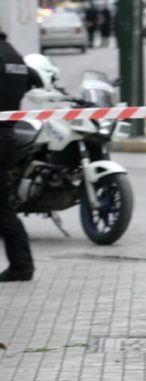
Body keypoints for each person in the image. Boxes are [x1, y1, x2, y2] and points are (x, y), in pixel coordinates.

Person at [0, 30, 44, 282]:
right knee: (3, 207)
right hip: (8, 135)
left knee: (2, 208)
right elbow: (34, 79)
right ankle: (21, 265)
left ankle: (21, 265)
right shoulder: (12, 53)